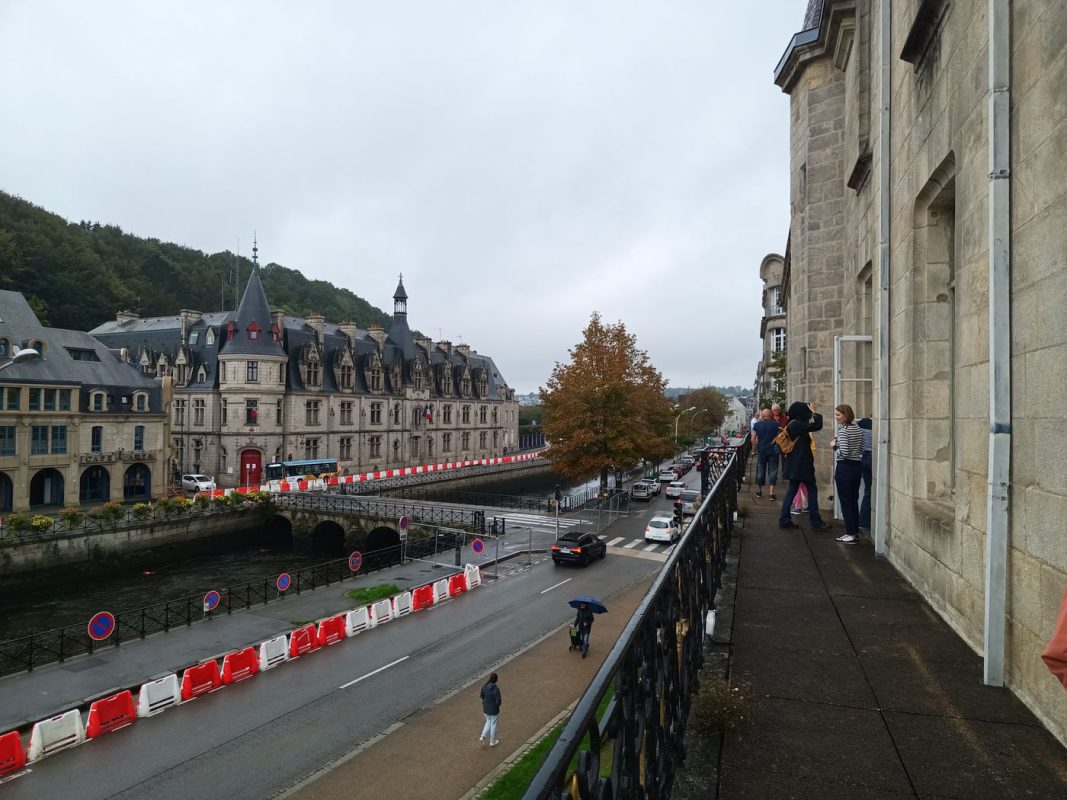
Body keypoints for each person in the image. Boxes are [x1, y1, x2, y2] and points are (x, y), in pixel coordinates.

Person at [778, 401, 831, 531]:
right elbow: (817, 425)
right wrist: (814, 412)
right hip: (802, 464)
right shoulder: (797, 425)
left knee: (792, 491)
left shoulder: (793, 424)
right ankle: (815, 521)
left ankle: (785, 519)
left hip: (795, 464)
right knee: (812, 491)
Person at [831, 404, 864, 544]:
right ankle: (854, 532)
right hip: (857, 466)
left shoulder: (843, 431)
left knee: (845, 502)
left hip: (845, 467)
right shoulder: (857, 428)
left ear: (845, 415)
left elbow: (843, 453)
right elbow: (861, 447)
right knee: (853, 500)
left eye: (838, 414)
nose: (836, 417)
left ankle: (850, 533)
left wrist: (834, 445)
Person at [750, 409, 781, 500]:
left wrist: (755, 448)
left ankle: (759, 491)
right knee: (773, 471)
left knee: (760, 470)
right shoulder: (776, 424)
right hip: (773, 450)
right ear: (771, 415)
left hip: (762, 450)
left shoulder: (757, 425)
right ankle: (771, 493)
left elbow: (752, 439)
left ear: (762, 416)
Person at [857, 417, 873, 531]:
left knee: (868, 491)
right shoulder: (873, 427)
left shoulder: (859, 428)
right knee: (871, 491)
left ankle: (863, 521)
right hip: (872, 456)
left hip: (863, 457)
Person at [479, 672, 502, 747]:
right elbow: (498, 701)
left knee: (488, 722)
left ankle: (483, 736)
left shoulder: (485, 686)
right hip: (494, 710)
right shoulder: (496, 689)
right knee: (493, 724)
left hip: (486, 708)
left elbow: (482, 696)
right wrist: (496, 706)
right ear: (496, 680)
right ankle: (493, 741)